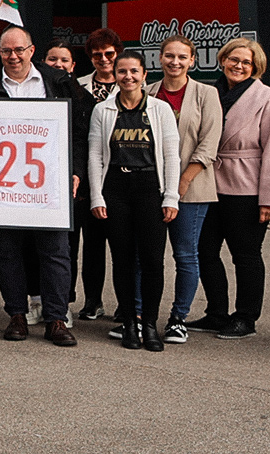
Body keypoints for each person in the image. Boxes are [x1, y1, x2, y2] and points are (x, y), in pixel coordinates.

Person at [0, 25, 88, 347]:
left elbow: (78, 132)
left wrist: (76, 171)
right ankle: (16, 314)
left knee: (56, 252)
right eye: (6, 51)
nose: (13, 56)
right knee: (7, 251)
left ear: (31, 51)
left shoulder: (57, 83)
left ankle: (56, 318)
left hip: (49, 186)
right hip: (2, 188)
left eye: (19, 50)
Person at [194, 38, 270, 340]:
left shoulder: (269, 100)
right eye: (234, 59)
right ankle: (216, 313)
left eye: (246, 62)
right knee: (204, 250)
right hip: (209, 185)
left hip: (247, 190)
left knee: (245, 255)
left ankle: (246, 318)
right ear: (222, 60)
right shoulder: (210, 92)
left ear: (255, 67)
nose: (239, 66)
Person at [87, 51, 180, 351]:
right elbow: (95, 155)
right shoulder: (103, 110)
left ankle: (149, 324)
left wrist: (171, 196)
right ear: (115, 75)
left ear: (144, 75)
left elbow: (171, 156)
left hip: (150, 187)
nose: (128, 77)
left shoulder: (160, 109)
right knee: (123, 259)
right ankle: (129, 322)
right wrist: (96, 196)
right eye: (122, 71)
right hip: (115, 188)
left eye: (134, 71)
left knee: (153, 260)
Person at [146, 35, 221, 344]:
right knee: (146, 255)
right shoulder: (147, 92)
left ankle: (178, 319)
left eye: (182, 57)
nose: (175, 62)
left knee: (186, 255)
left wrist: (183, 181)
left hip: (191, 188)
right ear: (159, 58)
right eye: (169, 56)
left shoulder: (207, 94)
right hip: (151, 187)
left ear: (192, 60)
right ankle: (140, 316)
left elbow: (209, 143)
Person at [74, 27, 122, 320]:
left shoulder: (133, 82)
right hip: (87, 176)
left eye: (109, 54)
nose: (103, 59)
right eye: (97, 55)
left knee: (121, 245)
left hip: (118, 174)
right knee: (91, 245)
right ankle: (93, 300)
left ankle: (125, 303)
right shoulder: (78, 85)